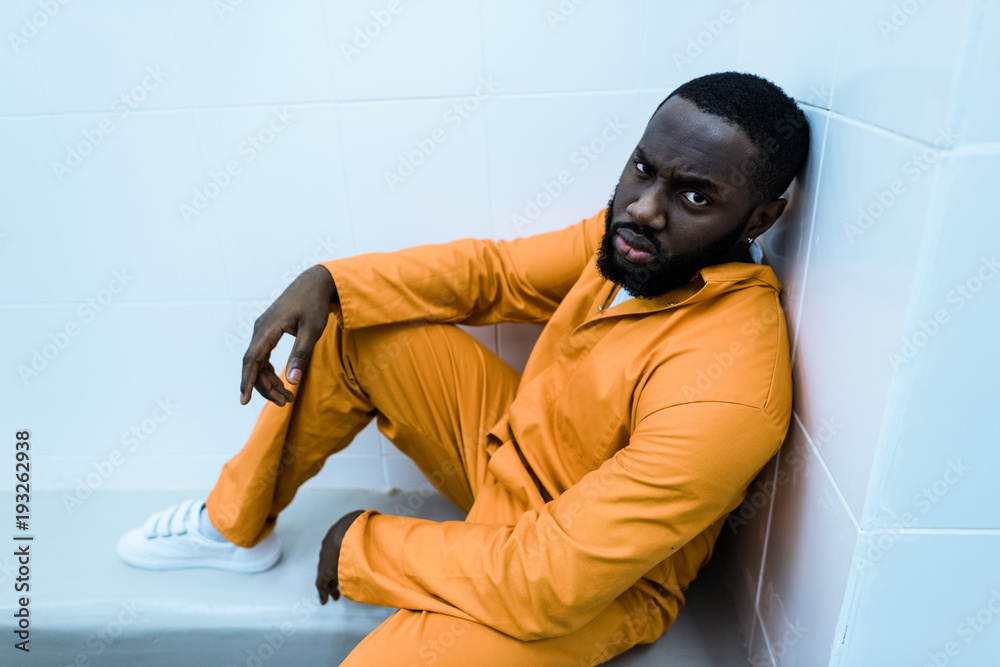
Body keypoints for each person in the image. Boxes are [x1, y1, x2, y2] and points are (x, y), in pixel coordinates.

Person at [118, 71, 810, 665]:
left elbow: (551, 578)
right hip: (512, 461)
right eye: (642, 168)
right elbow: (494, 274)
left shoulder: (730, 383)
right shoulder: (635, 245)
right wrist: (328, 279)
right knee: (355, 325)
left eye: (694, 197)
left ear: (760, 218)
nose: (643, 208)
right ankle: (232, 526)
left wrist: (368, 546)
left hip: (593, 581)